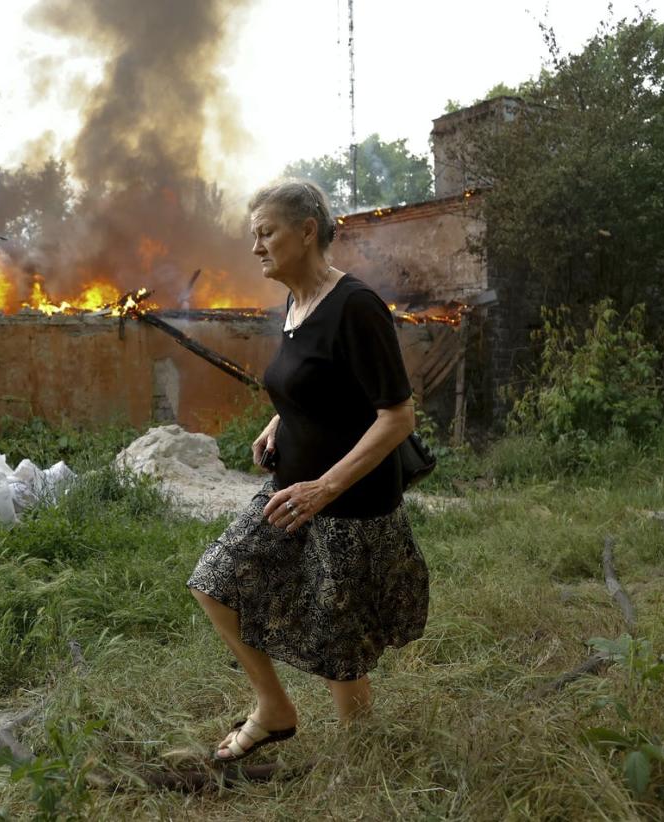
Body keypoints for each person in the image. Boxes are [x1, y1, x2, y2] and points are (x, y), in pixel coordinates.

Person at [187, 179, 429, 764]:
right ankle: (274, 709)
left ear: (307, 231)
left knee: (337, 645)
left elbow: (396, 417)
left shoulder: (357, 306)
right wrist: (281, 419)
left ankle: (361, 760)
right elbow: (318, 384)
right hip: (291, 494)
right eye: (255, 235)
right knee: (214, 582)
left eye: (266, 233)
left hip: (348, 506)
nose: (256, 247)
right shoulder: (295, 304)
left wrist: (326, 487)